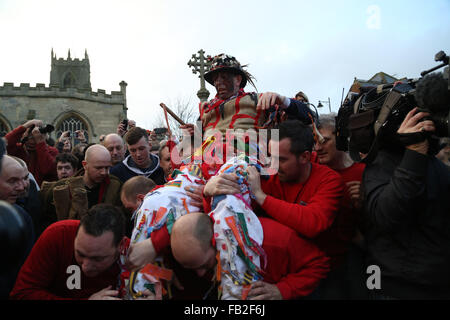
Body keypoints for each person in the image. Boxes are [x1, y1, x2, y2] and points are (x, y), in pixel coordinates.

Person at [362, 107, 450, 299]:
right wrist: (414, 153)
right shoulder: (382, 164)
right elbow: (385, 217)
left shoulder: (439, 168)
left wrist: (415, 152)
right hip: (385, 284)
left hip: (431, 284)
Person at [170, 212, 329, 300]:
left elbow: (319, 263)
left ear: (217, 241)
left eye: (205, 265)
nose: (201, 274)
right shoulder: (201, 253)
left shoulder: (275, 240)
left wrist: (282, 290)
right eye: (192, 268)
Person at [10, 204, 153, 300]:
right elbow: (22, 293)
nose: (86, 266)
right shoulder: (58, 236)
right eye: (80, 254)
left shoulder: (134, 258)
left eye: (97, 259)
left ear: (120, 246)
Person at [312, 113, 367, 299]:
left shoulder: (363, 172)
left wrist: (365, 204)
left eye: (324, 141)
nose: (317, 148)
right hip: (315, 264)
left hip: (351, 264)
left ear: (342, 138)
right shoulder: (310, 165)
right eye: (315, 141)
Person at [40, 144, 122, 231]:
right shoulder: (62, 188)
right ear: (84, 165)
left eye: (107, 167)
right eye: (99, 168)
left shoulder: (115, 187)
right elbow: (48, 221)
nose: (104, 172)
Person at [5, 119, 58, 186]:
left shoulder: (52, 151)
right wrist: (24, 126)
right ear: (23, 135)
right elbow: (4, 144)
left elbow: (47, 169)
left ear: (44, 136)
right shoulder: (18, 149)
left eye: (35, 136)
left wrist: (40, 142)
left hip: (41, 192)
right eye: (30, 135)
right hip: (18, 189)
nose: (33, 139)